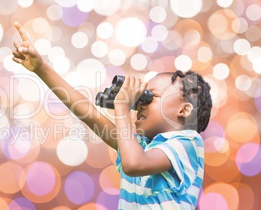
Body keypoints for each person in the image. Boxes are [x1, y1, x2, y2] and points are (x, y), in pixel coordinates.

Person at [12, 21, 212, 209]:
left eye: (152, 97)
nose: (140, 104)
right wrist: (41, 68)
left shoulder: (189, 143)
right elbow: (87, 112)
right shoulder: (139, 145)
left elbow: (134, 164)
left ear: (184, 110)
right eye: (141, 98)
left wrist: (123, 108)